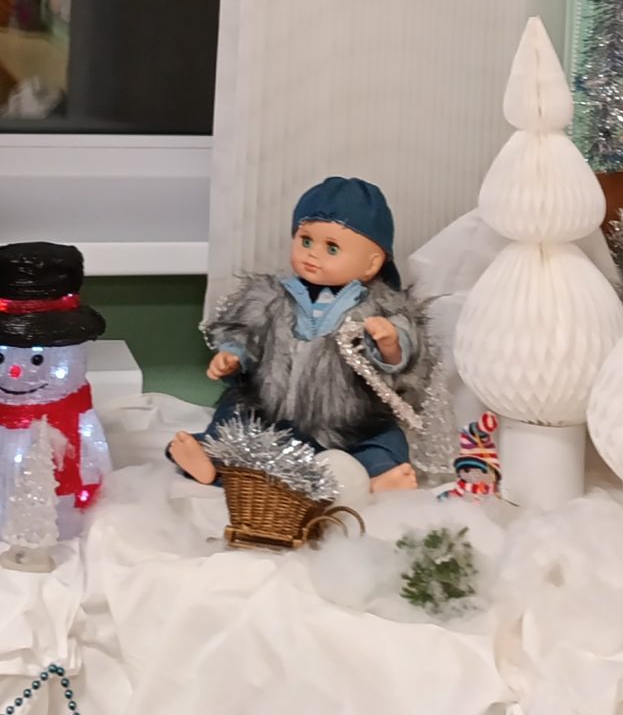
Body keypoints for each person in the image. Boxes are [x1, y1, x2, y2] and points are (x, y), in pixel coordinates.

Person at [168, 176, 429, 493]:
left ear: (371, 265)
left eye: (331, 248)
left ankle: (374, 479)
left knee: (384, 439)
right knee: (236, 419)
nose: (313, 254)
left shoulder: (380, 308)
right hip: (274, 413)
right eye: (305, 241)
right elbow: (248, 334)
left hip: (347, 421)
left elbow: (405, 360)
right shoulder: (270, 298)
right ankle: (213, 460)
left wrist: (389, 344)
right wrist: (232, 357)